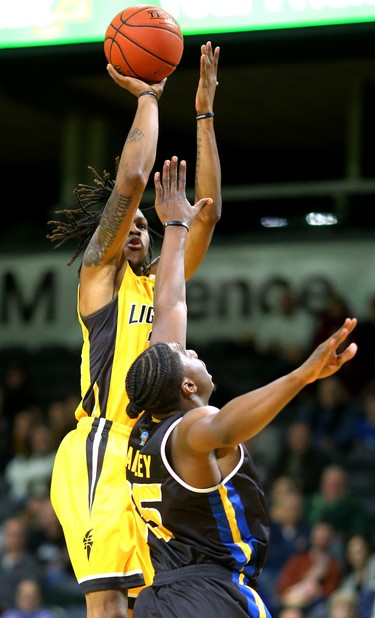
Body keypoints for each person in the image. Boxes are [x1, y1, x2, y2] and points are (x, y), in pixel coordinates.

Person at [124, 157, 358, 617]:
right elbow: (227, 426)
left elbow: (169, 302)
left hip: (162, 598)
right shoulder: (191, 430)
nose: (193, 351)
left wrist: (174, 226)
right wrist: (302, 376)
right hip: (208, 595)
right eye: (187, 356)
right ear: (188, 385)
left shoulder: (146, 429)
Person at [47, 41, 221, 618]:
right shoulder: (100, 279)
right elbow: (133, 177)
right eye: (131, 224)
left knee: (155, 599)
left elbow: (209, 211)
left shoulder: (163, 284)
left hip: (154, 450)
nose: (139, 229)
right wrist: (148, 96)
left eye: (147, 224)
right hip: (103, 441)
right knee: (107, 601)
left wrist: (203, 113)